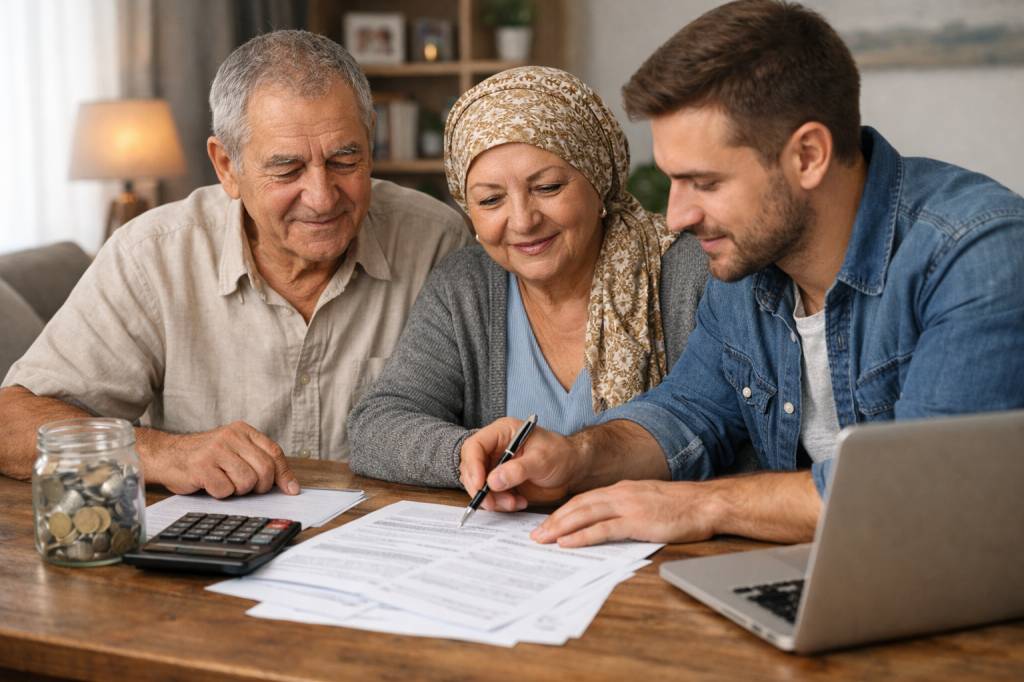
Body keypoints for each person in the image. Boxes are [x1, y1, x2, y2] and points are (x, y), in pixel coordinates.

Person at [460, 0, 1024, 546]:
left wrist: (704, 504)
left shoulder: (975, 255)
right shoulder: (747, 266)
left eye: (704, 183)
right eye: (673, 180)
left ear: (807, 156)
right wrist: (575, 456)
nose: (677, 215)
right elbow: (688, 411)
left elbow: (923, 494)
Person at [0, 30, 469, 498]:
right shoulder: (152, 255)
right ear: (226, 166)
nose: (323, 197)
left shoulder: (436, 241)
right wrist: (163, 454)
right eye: (286, 170)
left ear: (371, 141)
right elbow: (11, 423)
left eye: (345, 160)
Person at [347, 66, 708, 488]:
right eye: (490, 199)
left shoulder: (689, 272)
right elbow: (376, 426)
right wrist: (470, 456)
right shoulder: (466, 286)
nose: (522, 220)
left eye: (549, 187)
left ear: (599, 180)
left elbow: (734, 434)